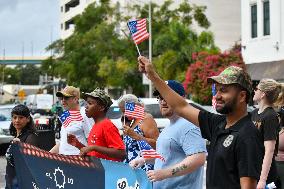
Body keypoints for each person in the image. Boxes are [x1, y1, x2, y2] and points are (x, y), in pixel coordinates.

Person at [138, 56, 264, 189]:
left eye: (224, 90)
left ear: (242, 96)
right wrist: (152, 75)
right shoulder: (219, 124)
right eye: (217, 90)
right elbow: (181, 107)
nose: (217, 96)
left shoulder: (248, 135)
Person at [130, 80, 207, 189]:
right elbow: (167, 156)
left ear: (182, 98)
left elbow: (198, 158)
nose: (163, 102)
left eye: (167, 96)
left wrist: (164, 173)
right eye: (160, 98)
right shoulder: (170, 126)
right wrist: (144, 160)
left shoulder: (189, 125)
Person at [68, 88, 126, 161]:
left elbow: (121, 153)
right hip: (98, 171)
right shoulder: (96, 125)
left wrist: (94, 147)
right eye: (86, 103)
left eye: (90, 103)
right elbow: (93, 153)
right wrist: (77, 144)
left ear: (101, 107)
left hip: (108, 171)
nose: (86, 106)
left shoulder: (107, 125)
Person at [252, 79, 284, 189]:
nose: (254, 91)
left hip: (265, 175)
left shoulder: (270, 116)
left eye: (256, 89)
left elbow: (269, 150)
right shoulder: (254, 113)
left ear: (263, 94)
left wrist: (262, 180)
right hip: (253, 170)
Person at [117, 94, 159, 171]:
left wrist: (136, 136)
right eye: (122, 112)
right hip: (133, 167)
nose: (124, 114)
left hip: (144, 167)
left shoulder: (146, 119)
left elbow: (157, 144)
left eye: (125, 111)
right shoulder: (133, 121)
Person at [49, 86, 93, 155]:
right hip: (64, 161)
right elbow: (62, 143)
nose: (63, 100)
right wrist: (47, 155)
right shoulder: (66, 115)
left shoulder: (85, 114)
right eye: (61, 98)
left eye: (66, 97)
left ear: (75, 99)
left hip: (78, 161)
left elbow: (91, 143)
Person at [5, 104, 40, 189]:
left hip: (21, 183)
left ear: (28, 119)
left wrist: (21, 147)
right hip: (11, 182)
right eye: (15, 117)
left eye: (21, 117)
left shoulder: (31, 137)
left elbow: (30, 162)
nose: (17, 120)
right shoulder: (16, 137)